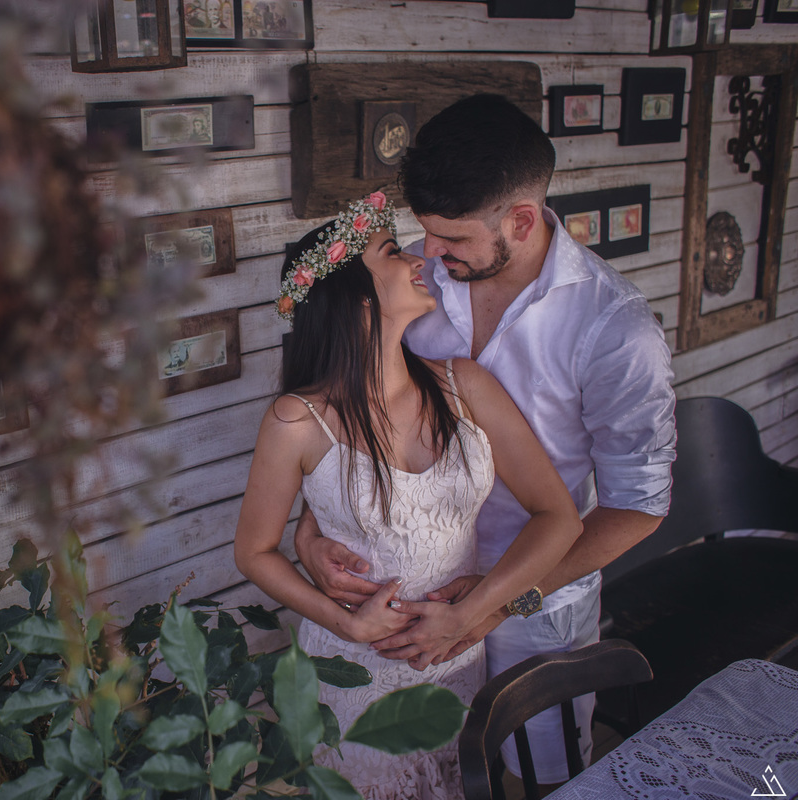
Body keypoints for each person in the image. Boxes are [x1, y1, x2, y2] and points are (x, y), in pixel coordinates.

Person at [295, 94, 677, 790]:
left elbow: (639, 508)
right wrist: (310, 533)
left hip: (540, 604)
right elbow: (350, 417)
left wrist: (489, 607)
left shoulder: (616, 331)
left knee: (543, 777)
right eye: (425, 234)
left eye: (452, 240)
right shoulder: (407, 281)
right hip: (407, 606)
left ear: (522, 220)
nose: (430, 253)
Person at [234, 191, 583, 800]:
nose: (419, 261)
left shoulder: (464, 385)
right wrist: (346, 625)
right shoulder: (297, 420)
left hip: (456, 660)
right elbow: (254, 551)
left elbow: (560, 518)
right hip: (352, 675)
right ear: (358, 300)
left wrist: (481, 611)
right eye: (393, 253)